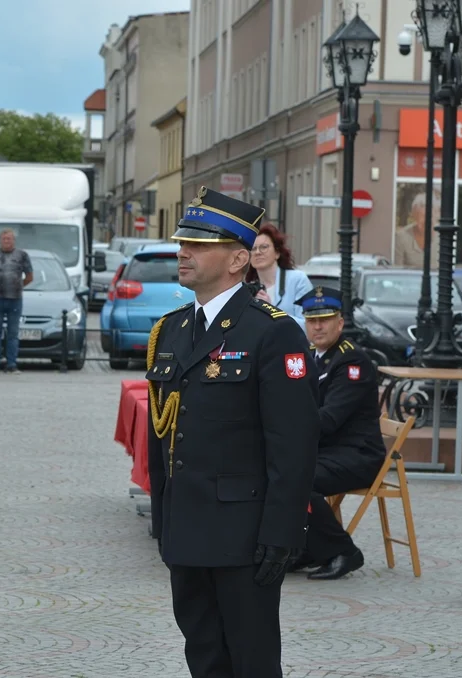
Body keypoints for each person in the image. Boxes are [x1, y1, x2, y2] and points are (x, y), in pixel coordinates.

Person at [147, 186, 319, 677]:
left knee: (252, 660)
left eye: (199, 246)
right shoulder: (173, 329)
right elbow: (162, 438)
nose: (184, 252)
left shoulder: (271, 330)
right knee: (203, 655)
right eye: (184, 243)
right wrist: (164, 522)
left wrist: (283, 531)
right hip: (187, 530)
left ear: (238, 259)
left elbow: (294, 441)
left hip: (245, 535)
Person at [287, 286, 384, 581]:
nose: (317, 326)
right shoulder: (313, 357)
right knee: (277, 472)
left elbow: (327, 420)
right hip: (329, 451)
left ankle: (343, 551)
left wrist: (284, 431)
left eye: (325, 320)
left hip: (357, 455)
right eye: (312, 320)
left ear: (340, 323)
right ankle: (308, 547)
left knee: (296, 479)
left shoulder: (351, 363)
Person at [0, 228, 33, 374]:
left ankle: (12, 364)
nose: (6, 241)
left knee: (13, 333)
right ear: (0, 240)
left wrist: (18, 286)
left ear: (13, 240)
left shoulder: (22, 255)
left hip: (15, 299)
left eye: (9, 239)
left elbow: (30, 276)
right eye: (4, 239)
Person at [246, 223, 314, 327]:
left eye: (264, 247)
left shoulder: (297, 280)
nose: (258, 252)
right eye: (253, 249)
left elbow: (308, 326)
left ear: (277, 253)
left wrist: (271, 309)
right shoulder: (248, 289)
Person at [395, 190, 440, 269]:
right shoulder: (401, 237)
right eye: (422, 216)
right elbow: (397, 270)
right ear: (414, 217)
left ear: (436, 216)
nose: (427, 220)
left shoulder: (443, 237)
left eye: (430, 216)